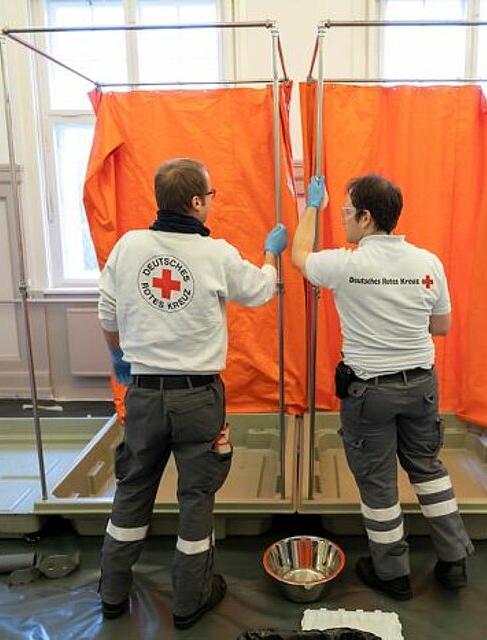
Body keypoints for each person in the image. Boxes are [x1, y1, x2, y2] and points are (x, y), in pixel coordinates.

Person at [97, 157, 287, 628]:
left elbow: (106, 311)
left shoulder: (129, 246)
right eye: (212, 194)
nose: (213, 201)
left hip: (142, 394)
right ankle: (190, 600)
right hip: (198, 398)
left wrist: (120, 356)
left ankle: (113, 593)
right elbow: (263, 291)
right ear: (197, 202)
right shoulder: (216, 254)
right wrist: (270, 253)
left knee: (133, 490)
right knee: (197, 496)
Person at [290, 173, 473, 600]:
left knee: (377, 483)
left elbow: (300, 255)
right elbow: (441, 326)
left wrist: (311, 205)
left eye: (347, 212)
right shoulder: (428, 263)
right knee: (428, 471)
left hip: (370, 393)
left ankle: (393, 573)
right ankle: (454, 561)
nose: (345, 220)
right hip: (421, 386)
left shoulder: (344, 264)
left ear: (366, 218)